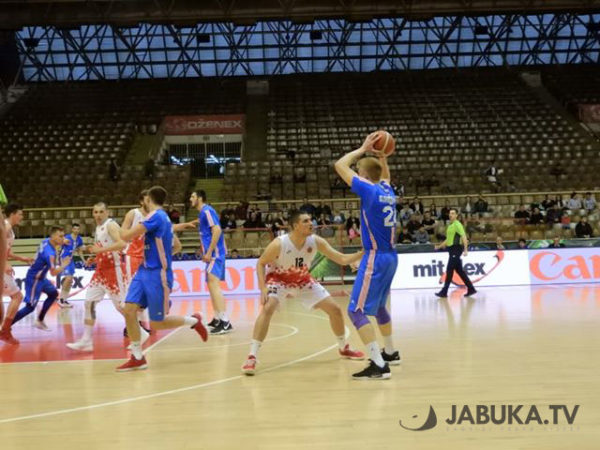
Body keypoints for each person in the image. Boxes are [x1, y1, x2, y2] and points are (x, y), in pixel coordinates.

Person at [241, 211, 365, 375]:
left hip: (303, 280)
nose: (310, 223)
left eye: (311, 220)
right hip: (278, 279)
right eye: (306, 221)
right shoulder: (279, 243)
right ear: (295, 226)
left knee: (335, 310)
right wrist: (263, 288)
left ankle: (343, 348)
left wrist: (363, 252)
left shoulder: (315, 241)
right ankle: (252, 356)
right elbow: (260, 263)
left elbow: (341, 259)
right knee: (267, 308)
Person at [115, 186, 208, 371]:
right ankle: (137, 356)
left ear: (148, 200)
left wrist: (122, 222)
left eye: (145, 200)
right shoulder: (160, 218)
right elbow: (174, 245)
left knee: (157, 322)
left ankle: (193, 321)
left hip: (158, 275)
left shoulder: (156, 216)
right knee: (128, 310)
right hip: (144, 270)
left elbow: (125, 236)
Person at [334, 132, 400, 380]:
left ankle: (379, 364)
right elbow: (386, 175)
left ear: (363, 176)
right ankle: (391, 351)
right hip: (391, 257)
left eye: (359, 171)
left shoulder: (370, 190)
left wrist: (363, 149)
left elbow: (339, 165)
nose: (357, 174)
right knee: (380, 306)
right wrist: (383, 158)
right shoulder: (387, 189)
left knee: (356, 311)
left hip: (375, 257)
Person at [66, 202, 133, 352]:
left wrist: (100, 250)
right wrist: (95, 257)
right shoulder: (98, 228)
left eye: (101, 212)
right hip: (100, 271)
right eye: (95, 212)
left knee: (122, 307)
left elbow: (122, 244)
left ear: (107, 213)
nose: (98, 215)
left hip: (113, 271)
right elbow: (104, 249)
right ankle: (86, 340)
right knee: (89, 302)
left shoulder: (111, 225)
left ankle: (139, 334)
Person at [189, 190, 233, 334]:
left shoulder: (207, 210)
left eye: (193, 197)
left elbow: (217, 230)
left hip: (215, 254)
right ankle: (217, 318)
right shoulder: (203, 214)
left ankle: (225, 321)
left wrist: (209, 252)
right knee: (211, 285)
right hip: (213, 253)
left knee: (214, 285)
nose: (190, 199)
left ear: (200, 198)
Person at [10, 227, 71, 332]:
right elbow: (53, 273)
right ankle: (6, 326)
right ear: (53, 236)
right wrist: (64, 265)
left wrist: (63, 241)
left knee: (53, 294)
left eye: (63, 236)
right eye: (60, 236)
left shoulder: (46, 241)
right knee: (30, 307)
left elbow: (54, 241)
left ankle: (39, 320)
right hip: (34, 279)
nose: (63, 238)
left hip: (42, 278)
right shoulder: (50, 254)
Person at [1, 204, 33, 344]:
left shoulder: (8, 228)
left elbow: (6, 251)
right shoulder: (6, 227)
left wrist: (22, 258)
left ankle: (5, 331)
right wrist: (5, 263)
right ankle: (5, 331)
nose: (22, 217)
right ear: (12, 214)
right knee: (17, 296)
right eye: (20, 214)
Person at [434, 208, 477, 299]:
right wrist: (439, 246)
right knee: (460, 271)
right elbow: (447, 239)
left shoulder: (458, 225)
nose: (450, 215)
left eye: (453, 213)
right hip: (452, 250)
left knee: (449, 270)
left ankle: (444, 291)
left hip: (456, 249)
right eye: (450, 213)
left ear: (457, 215)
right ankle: (471, 288)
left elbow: (464, 236)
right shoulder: (450, 225)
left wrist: (466, 250)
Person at [57, 223, 85, 308]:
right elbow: (59, 242)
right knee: (68, 278)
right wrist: (63, 241)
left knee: (70, 280)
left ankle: (64, 299)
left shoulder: (79, 239)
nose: (76, 230)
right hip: (64, 259)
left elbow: (79, 250)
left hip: (71, 259)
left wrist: (84, 260)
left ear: (79, 230)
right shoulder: (67, 237)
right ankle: (61, 299)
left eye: (78, 229)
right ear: (72, 229)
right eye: (75, 229)